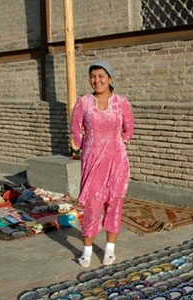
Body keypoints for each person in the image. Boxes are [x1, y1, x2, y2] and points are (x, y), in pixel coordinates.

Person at [70, 60, 134, 267]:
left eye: (100, 76)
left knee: (114, 204)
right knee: (92, 205)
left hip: (117, 161)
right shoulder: (84, 102)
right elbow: (75, 128)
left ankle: (109, 250)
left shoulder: (121, 102)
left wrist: (118, 144)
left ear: (109, 78)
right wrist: (83, 146)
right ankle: (87, 250)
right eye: (92, 76)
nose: (96, 81)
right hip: (92, 160)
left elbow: (129, 128)